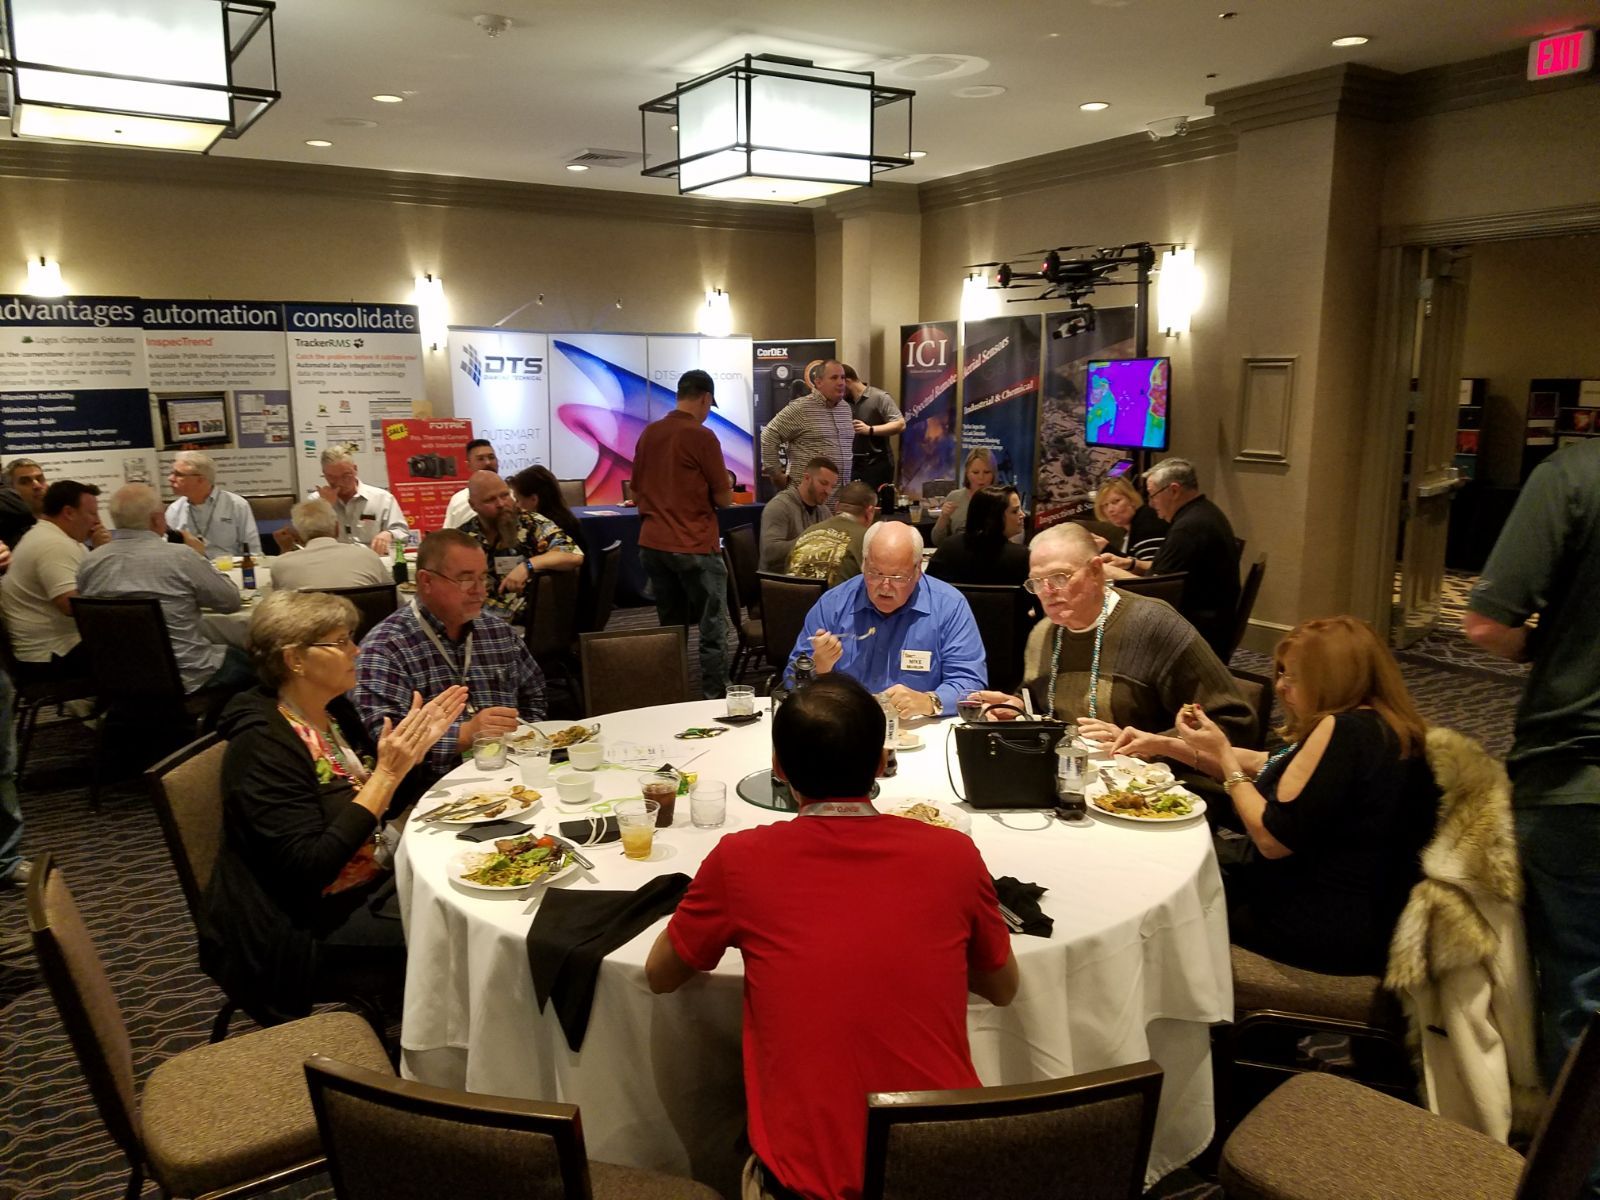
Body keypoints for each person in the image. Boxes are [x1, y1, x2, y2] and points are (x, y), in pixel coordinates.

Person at [645, 673, 1017, 1200]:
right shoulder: (953, 854)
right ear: (880, 763)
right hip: (949, 1165)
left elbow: (660, 975)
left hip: (806, 1186)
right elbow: (1003, 988)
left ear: (778, 769)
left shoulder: (740, 861)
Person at [202, 589, 467, 1022]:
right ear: (295, 659)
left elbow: (376, 805)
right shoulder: (262, 744)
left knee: (468, 878)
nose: (356, 651)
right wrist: (385, 775)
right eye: (340, 642)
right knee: (456, 929)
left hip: (365, 877)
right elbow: (309, 866)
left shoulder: (333, 713)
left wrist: (411, 759)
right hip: (298, 923)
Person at [1464, 438, 1600, 1187]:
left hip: (1581, 778)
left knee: (1582, 993)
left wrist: (1558, 646)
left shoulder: (1574, 476)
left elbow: (1489, 624)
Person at [1175, 616, 1434, 974]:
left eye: (1295, 676)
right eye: (1281, 672)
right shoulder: (1393, 728)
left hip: (1317, 924)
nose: (1281, 686)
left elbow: (1271, 839)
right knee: (1192, 855)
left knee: (1168, 885)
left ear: (1333, 677)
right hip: (1376, 920)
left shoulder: (1341, 731)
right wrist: (1165, 745)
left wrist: (1224, 755)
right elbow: (1274, 764)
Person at [969, 523, 1254, 759]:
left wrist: (1148, 744)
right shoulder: (1042, 634)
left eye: (1059, 577)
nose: (1047, 592)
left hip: (1149, 787)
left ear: (1096, 571)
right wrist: (1019, 707)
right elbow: (1046, 707)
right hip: (1069, 779)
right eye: (1036, 582)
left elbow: (1234, 721)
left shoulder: (1152, 625)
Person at [354, 529, 546, 791]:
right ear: (426, 581)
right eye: (466, 580)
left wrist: (524, 741)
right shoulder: (386, 649)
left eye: (483, 578)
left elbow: (534, 694)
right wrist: (466, 735)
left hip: (514, 777)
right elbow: (384, 740)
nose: (480, 591)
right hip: (429, 792)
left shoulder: (497, 632)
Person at [789, 522, 986, 721]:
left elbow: (969, 683)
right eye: (875, 573)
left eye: (897, 577)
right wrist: (818, 669)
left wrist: (929, 701)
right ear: (864, 564)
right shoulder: (833, 604)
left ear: (918, 570)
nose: (885, 587)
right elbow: (791, 680)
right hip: (847, 726)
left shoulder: (949, 605)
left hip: (919, 727)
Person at [76, 483, 256, 693]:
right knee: (255, 662)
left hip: (118, 678)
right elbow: (230, 601)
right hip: (188, 676)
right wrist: (200, 557)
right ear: (156, 519)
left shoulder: (89, 562)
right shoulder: (181, 557)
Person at [632, 369, 734, 698]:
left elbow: (636, 489)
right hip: (695, 544)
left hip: (653, 544)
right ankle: (715, 696)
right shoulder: (702, 436)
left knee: (671, 628)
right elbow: (724, 499)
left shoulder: (649, 433)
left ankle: (671, 694)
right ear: (705, 398)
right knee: (712, 625)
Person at [1101, 457, 1240, 660]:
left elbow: (1156, 592)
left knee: (1107, 633)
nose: (1151, 503)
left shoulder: (1188, 529)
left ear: (1174, 490)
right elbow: (1172, 572)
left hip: (1199, 630)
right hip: (1213, 618)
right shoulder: (1204, 512)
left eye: (1153, 495)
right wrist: (1131, 563)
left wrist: (1107, 571)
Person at [0, 480, 101, 684]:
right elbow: (70, 605)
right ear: (69, 512)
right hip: (52, 655)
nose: (97, 521)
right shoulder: (54, 544)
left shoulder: (48, 536)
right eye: (92, 513)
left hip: (47, 651)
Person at [457, 470, 583, 618]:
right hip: (480, 622)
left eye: (505, 495)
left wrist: (527, 566)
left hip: (527, 621)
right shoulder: (463, 538)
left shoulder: (531, 523)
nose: (501, 504)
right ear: (473, 505)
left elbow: (573, 554)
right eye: (490, 500)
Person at [760, 359, 855, 499]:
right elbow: (769, 435)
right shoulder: (801, 408)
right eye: (834, 378)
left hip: (839, 499)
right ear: (818, 382)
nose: (841, 382)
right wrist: (776, 475)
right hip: (806, 501)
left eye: (842, 377)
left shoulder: (845, 409)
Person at [267, 499, 392, 592]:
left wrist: (285, 549)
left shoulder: (281, 565)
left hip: (310, 620)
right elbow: (395, 600)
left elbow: (279, 605)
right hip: (364, 620)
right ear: (337, 528)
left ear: (298, 534)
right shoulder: (368, 556)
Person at [164, 449, 263, 561]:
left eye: (178, 474)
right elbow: (169, 553)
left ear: (201, 479)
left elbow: (253, 552)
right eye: (172, 473)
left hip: (231, 569)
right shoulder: (174, 510)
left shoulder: (237, 505)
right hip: (192, 569)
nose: (170, 478)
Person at [310, 447, 409, 556]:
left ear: (355, 469)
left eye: (346, 475)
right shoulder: (315, 501)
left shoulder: (382, 498)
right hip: (332, 561)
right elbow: (308, 540)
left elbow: (402, 533)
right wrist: (326, 508)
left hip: (372, 561)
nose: (340, 483)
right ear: (324, 474)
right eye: (332, 477)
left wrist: (389, 534)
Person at [927, 485, 1030, 589]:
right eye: (1015, 511)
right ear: (993, 517)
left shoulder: (948, 547)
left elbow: (928, 589)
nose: (1023, 515)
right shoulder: (1021, 557)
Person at [784, 480, 876, 588]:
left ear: (836, 506)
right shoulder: (869, 540)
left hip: (788, 597)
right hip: (836, 599)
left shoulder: (807, 532)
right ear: (870, 511)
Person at [759, 456, 839, 572]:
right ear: (807, 478)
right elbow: (770, 552)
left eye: (832, 486)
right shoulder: (779, 506)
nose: (828, 491)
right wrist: (811, 541)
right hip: (780, 578)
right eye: (823, 483)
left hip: (809, 575)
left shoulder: (823, 510)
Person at [842, 364, 905, 496]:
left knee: (876, 502)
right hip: (851, 464)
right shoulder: (843, 402)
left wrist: (870, 429)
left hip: (876, 464)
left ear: (847, 381)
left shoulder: (880, 397)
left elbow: (900, 424)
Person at [508, 464, 588, 551]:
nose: (516, 506)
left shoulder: (547, 530)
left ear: (534, 499)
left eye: (517, 500)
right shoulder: (568, 520)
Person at [931, 448, 997, 547]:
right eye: (975, 472)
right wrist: (944, 517)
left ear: (994, 474)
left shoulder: (1002, 499)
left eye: (987, 472)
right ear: (967, 473)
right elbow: (937, 541)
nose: (981, 477)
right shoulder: (954, 497)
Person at [1094, 475, 1167, 564]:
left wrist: (1107, 549)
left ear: (1132, 499)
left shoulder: (1148, 522)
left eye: (1116, 501)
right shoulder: (1131, 529)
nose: (1110, 510)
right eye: (1105, 505)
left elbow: (1151, 567)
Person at [443, 439, 499, 530]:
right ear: (468, 465)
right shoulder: (458, 500)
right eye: (480, 459)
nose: (488, 462)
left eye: (491, 457)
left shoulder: (512, 495)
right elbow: (449, 534)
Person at [0, 458, 45, 547]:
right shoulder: (10, 535)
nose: (37, 486)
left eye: (40, 479)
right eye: (25, 482)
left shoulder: (62, 520)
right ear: (10, 489)